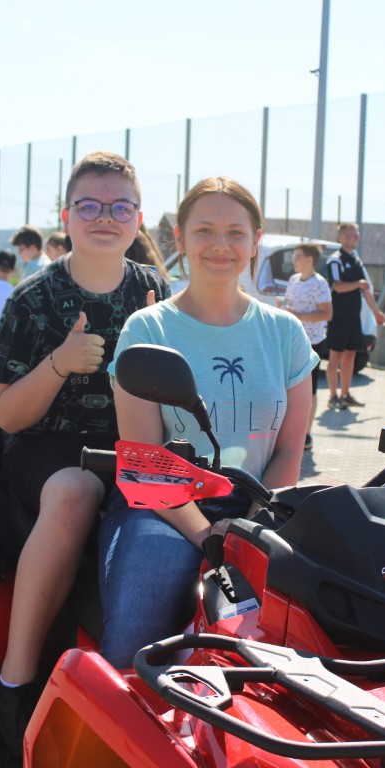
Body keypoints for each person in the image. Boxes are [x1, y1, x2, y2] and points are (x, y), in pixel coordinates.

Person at [0, 151, 168, 755]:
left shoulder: (155, 291)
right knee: (75, 491)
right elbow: (7, 415)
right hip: (48, 445)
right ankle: (13, 681)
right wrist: (60, 363)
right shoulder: (32, 300)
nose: (104, 217)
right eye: (88, 206)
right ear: (66, 217)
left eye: (119, 206)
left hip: (136, 442)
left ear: (138, 219)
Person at [100, 176, 317, 671]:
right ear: (179, 238)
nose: (221, 245)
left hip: (258, 506)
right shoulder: (148, 328)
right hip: (162, 510)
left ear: (256, 241)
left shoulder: (285, 332)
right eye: (205, 231)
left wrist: (253, 525)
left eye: (236, 232)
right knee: (134, 650)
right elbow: (147, 465)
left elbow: (290, 451)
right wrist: (207, 536)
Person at [325, 223, 385, 409]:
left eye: (357, 234)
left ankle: (346, 394)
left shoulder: (356, 261)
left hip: (354, 318)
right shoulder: (335, 260)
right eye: (353, 235)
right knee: (335, 357)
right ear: (343, 237)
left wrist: (377, 313)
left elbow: (366, 289)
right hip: (338, 318)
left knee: (350, 355)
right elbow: (337, 286)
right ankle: (333, 396)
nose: (357, 238)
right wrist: (358, 284)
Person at [283, 242, 332, 450]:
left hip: (312, 343)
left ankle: (306, 433)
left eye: (298, 257)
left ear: (310, 260)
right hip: (290, 342)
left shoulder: (320, 283)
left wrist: (299, 315)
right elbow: (288, 304)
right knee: (287, 388)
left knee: (309, 391)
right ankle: (288, 431)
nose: (293, 261)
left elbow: (327, 313)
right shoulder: (293, 280)